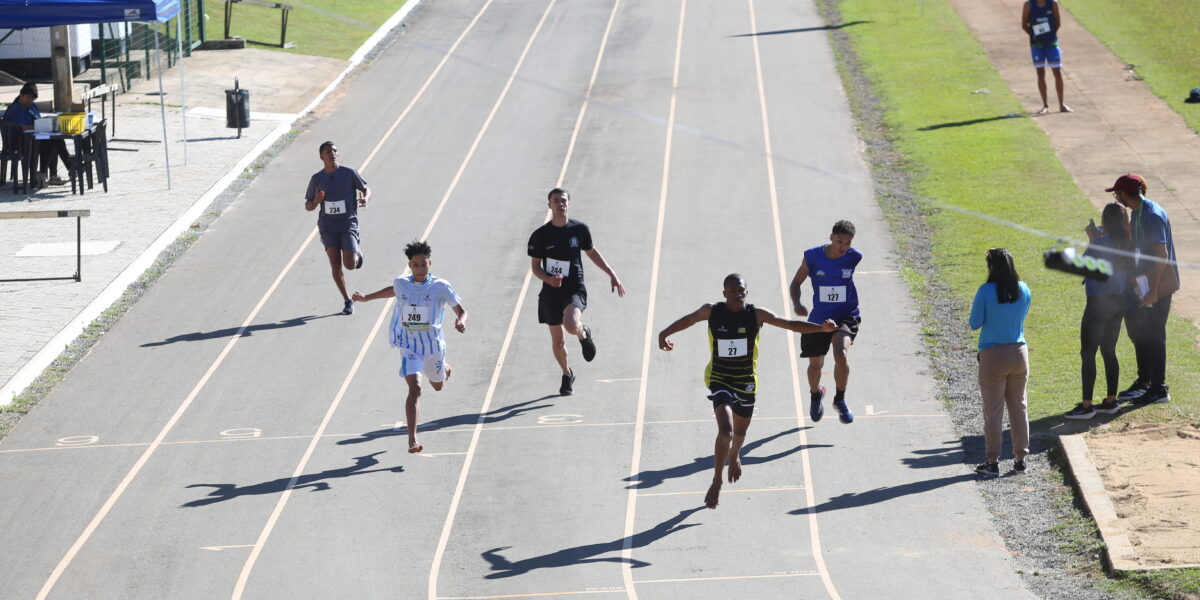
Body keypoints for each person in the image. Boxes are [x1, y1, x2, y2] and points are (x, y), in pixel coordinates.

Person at [658, 273, 835, 509]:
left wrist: (821, 328)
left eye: (741, 290)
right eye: (732, 290)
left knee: (740, 433)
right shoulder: (712, 311)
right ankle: (716, 480)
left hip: (746, 382)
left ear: (747, 292)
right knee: (726, 431)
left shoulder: (756, 314)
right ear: (724, 293)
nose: (737, 294)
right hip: (719, 379)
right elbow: (688, 320)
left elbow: (790, 324)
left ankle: (735, 455)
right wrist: (664, 334)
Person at [352, 241, 467, 453]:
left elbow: (461, 310)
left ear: (429, 263)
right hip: (409, 347)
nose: (420, 269)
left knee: (438, 385)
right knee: (415, 388)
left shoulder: (441, 286)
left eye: (423, 264)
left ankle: (445, 369)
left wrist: (460, 321)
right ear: (409, 266)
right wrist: (366, 298)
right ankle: (412, 439)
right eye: (415, 265)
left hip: (433, 346)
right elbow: (393, 291)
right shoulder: (401, 283)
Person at [528, 187, 625, 396]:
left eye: (563, 200)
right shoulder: (540, 235)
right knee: (558, 341)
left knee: (571, 324)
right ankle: (567, 373)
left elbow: (592, 252)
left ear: (568, 203)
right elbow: (535, 266)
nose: (560, 204)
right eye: (555, 201)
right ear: (549, 205)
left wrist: (612, 273)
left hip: (574, 288)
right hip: (551, 291)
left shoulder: (579, 229)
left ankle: (583, 333)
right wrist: (549, 279)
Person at [1108, 174, 1178, 406]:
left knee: (1155, 336)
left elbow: (1162, 257)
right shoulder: (1138, 213)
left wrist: (1153, 291)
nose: (1116, 197)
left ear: (1125, 194)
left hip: (1157, 285)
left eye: (1117, 193)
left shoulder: (1153, 215)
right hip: (1144, 283)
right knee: (1141, 333)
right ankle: (1145, 382)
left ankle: (1159, 389)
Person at [788, 220, 862, 425]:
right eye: (839, 241)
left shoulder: (854, 257)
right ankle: (816, 394)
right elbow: (796, 283)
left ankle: (840, 399)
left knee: (841, 354)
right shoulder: (812, 256)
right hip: (819, 319)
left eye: (848, 243)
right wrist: (797, 303)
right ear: (831, 237)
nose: (843, 247)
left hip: (847, 315)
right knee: (816, 364)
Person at [1065, 202, 1132, 420]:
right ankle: (1111, 401)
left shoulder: (1100, 243)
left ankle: (1087, 406)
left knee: (1088, 354)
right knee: (1109, 351)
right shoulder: (1127, 243)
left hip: (1097, 304)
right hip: (1118, 303)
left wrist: (1092, 240)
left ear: (1105, 222)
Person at [969, 248, 1032, 476]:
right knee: (1019, 407)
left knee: (993, 411)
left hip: (993, 354)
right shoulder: (1024, 289)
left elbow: (975, 323)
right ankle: (1020, 459)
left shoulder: (985, 291)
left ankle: (992, 461)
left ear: (992, 267)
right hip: (1019, 353)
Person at [304, 141, 370, 315]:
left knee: (350, 264)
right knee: (334, 262)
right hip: (328, 226)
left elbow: (365, 189)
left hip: (348, 223)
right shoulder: (317, 179)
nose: (331, 153)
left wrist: (365, 198)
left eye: (334, 150)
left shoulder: (349, 173)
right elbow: (308, 206)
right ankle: (347, 300)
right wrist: (316, 201)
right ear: (321, 157)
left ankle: (357, 254)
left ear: (338, 154)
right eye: (327, 151)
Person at [1, 82, 73, 187]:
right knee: (52, 143)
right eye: (28, 97)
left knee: (56, 139)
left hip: (34, 139)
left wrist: (47, 124)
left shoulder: (32, 106)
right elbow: (23, 127)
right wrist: (41, 127)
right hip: (20, 144)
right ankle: (50, 172)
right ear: (21, 96)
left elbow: (38, 120)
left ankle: (54, 174)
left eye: (32, 98)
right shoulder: (15, 109)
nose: (30, 100)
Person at [1021, 0, 1071, 114]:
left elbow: (1057, 22)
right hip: (1037, 45)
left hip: (1051, 44)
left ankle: (1061, 105)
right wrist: (1034, 35)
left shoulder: (1053, 3)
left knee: (1057, 73)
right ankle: (1045, 105)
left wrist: (1049, 35)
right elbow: (1024, 25)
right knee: (1040, 74)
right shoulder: (1028, 5)